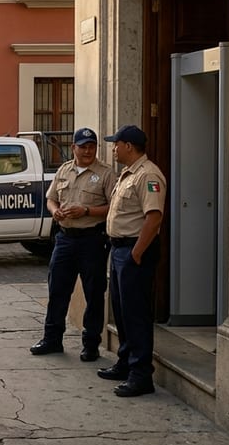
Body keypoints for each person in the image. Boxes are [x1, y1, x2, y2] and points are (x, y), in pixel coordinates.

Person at [30, 128, 117, 361]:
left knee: (94, 293)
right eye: (83, 146)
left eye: (92, 146)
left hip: (92, 240)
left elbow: (114, 208)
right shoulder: (64, 169)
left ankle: (91, 344)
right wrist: (55, 211)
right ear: (74, 148)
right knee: (57, 289)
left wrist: (87, 210)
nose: (88, 150)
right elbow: (51, 198)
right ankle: (52, 339)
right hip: (65, 239)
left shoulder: (106, 174)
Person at [98, 125, 166, 398]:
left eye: (116, 144)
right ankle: (126, 362)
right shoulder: (127, 174)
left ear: (128, 146)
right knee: (123, 311)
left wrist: (137, 253)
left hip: (134, 251)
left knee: (136, 314)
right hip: (119, 251)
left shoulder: (148, 175)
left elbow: (154, 217)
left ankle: (141, 374)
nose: (113, 148)